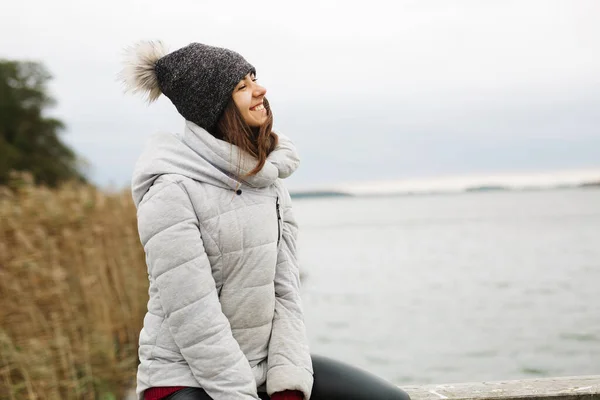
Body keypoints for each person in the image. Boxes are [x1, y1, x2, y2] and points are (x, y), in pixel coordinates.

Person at [121, 41, 411, 400]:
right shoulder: (171, 190)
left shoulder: (267, 181)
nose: (260, 90)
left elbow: (286, 292)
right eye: (242, 87)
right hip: (183, 377)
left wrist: (287, 383)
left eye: (253, 77)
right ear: (215, 107)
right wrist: (242, 395)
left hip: (259, 366)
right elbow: (194, 317)